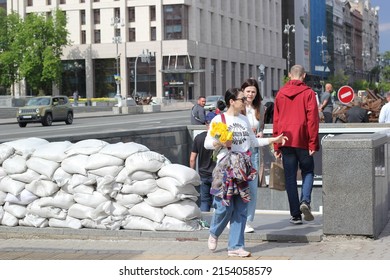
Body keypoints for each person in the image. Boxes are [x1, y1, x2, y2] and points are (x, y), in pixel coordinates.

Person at [204, 87, 287, 257]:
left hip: (243, 167)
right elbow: (207, 143)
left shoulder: (243, 119)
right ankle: (214, 232)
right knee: (223, 208)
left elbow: (253, 141)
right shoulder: (219, 120)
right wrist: (220, 142)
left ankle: (235, 246)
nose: (246, 101)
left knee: (241, 208)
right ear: (232, 102)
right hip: (225, 167)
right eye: (242, 99)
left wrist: (274, 139)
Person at [273, 65, 320, 225]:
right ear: (304, 76)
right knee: (308, 171)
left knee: (290, 177)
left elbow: (276, 120)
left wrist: (276, 144)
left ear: (289, 75)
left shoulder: (280, 94)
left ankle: (295, 215)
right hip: (303, 139)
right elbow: (312, 119)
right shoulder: (308, 93)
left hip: (285, 139)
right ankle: (305, 201)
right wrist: (313, 142)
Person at [240, 78, 265, 233]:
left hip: (253, 152)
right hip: (238, 152)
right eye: (248, 91)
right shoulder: (237, 107)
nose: (250, 94)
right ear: (243, 91)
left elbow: (261, 127)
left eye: (253, 92)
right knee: (238, 187)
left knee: (252, 189)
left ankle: (248, 221)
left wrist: (261, 132)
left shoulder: (260, 108)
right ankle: (235, 219)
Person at [190, 113, 216, 212]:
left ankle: (205, 222)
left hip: (203, 174)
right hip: (216, 174)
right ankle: (217, 223)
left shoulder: (199, 138)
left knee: (204, 200)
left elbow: (192, 158)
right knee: (217, 200)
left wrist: (192, 173)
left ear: (206, 123)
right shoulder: (220, 138)